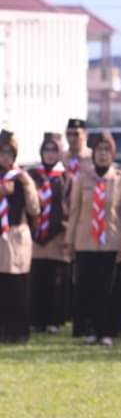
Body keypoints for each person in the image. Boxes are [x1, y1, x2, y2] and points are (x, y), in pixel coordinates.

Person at [65, 131, 121, 347]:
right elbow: (75, 210)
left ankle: (108, 332)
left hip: (111, 242)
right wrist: (70, 241)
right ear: (93, 153)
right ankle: (90, 330)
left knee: (109, 290)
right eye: (99, 150)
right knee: (87, 288)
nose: (103, 154)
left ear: (113, 153)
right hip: (86, 242)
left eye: (107, 150)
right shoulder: (82, 178)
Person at [29, 133, 73, 333]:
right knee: (36, 279)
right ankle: (36, 319)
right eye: (47, 149)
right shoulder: (32, 175)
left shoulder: (66, 177)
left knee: (56, 282)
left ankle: (53, 321)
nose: (50, 154)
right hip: (35, 237)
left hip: (58, 236)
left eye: (54, 150)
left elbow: (72, 205)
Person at [0, 130, 40, 343]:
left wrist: (27, 186)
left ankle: (18, 331)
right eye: (2, 152)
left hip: (16, 236)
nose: (5, 157)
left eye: (9, 153)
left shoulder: (21, 176)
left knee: (18, 285)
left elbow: (34, 209)